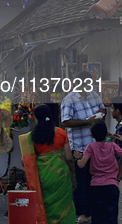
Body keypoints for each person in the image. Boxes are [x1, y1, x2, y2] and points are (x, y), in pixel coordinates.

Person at [61, 70, 106, 223]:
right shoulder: (70, 99)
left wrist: (100, 113)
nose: (88, 86)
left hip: (95, 147)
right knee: (81, 182)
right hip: (79, 148)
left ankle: (93, 213)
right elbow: (65, 122)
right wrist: (88, 121)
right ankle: (81, 214)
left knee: (94, 180)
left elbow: (102, 108)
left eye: (90, 83)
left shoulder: (94, 94)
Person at [19, 104, 76, 224]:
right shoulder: (61, 133)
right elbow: (69, 158)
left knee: (44, 205)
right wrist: (72, 172)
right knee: (65, 205)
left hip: (41, 178)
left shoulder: (31, 137)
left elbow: (24, 162)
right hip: (61, 176)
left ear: (35, 118)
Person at [77, 121, 122, 224]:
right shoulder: (113, 146)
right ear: (106, 134)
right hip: (112, 185)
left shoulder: (90, 147)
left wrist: (78, 158)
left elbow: (81, 164)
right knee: (111, 216)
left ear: (92, 135)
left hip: (96, 186)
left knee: (97, 217)